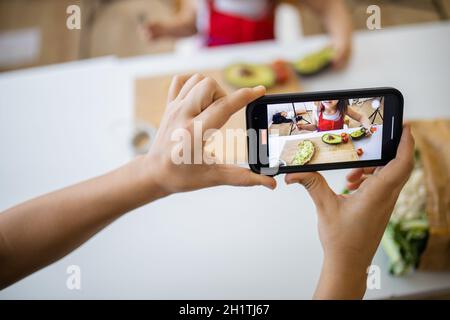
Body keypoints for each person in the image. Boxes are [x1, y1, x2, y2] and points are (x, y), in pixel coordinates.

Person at [0, 74, 414, 299]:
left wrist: (152, 175)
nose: (324, 106)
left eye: (329, 106)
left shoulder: (345, 118)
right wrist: (349, 263)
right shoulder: (313, 119)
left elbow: (8, 248)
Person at [143, 0, 352, 69]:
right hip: (214, 64)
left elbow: (328, 6)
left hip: (262, 65)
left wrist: (341, 41)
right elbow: (190, 24)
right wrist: (165, 30)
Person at [297, 100, 372, 133]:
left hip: (339, 138)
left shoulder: (343, 108)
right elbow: (315, 126)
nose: (327, 99)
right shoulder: (316, 110)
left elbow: (361, 117)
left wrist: (368, 126)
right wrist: (304, 127)